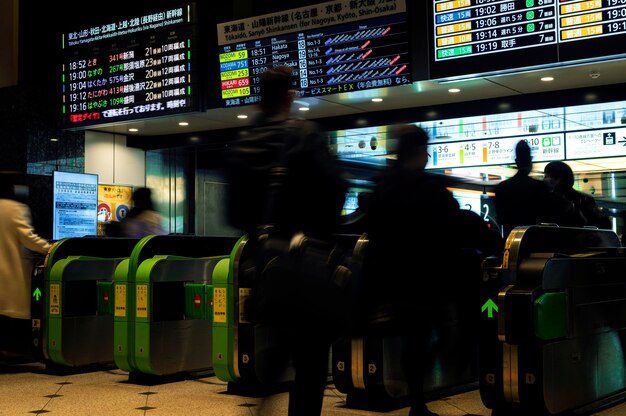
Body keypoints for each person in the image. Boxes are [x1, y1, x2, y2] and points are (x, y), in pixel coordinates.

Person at [224, 65, 347, 416]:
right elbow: (336, 188)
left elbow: (233, 214)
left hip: (267, 267)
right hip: (307, 261)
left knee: (279, 343)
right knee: (309, 360)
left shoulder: (243, 141)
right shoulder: (306, 134)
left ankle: (262, 407)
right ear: (290, 95)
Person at [362, 124, 500, 416]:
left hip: (392, 281)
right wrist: (491, 241)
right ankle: (453, 365)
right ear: (419, 153)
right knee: (433, 333)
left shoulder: (381, 185)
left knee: (412, 340)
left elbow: (371, 229)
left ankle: (416, 399)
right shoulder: (430, 188)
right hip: (427, 281)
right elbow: (457, 224)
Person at [0, 172, 51, 354]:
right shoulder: (15, 208)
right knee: (12, 314)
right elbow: (28, 238)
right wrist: (49, 249)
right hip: (9, 273)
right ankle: (14, 350)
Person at [494, 140, 561, 237]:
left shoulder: (501, 188)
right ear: (530, 161)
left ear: (516, 162)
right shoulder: (539, 187)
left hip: (511, 238)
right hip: (534, 238)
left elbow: (501, 218)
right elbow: (548, 215)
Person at [543, 160, 611, 229]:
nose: (544, 179)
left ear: (557, 179)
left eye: (546, 176)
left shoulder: (548, 199)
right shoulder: (585, 199)